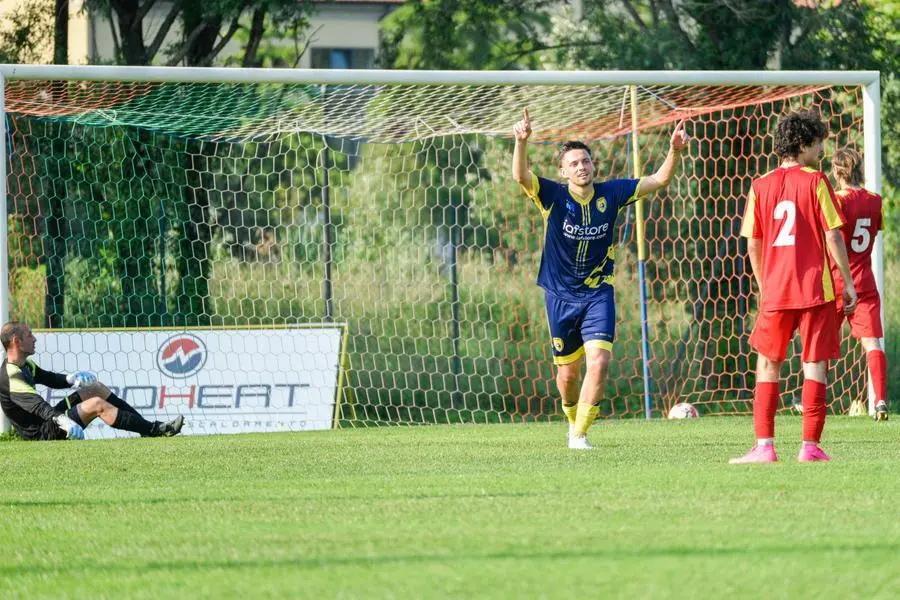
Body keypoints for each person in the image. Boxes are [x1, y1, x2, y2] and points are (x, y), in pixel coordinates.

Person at [511, 108, 689, 449]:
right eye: (574, 163)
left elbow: (659, 180)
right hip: (560, 296)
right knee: (567, 376)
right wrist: (521, 142)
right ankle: (571, 419)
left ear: (594, 166)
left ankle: (579, 434)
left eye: (586, 161)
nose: (582, 167)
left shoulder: (613, 194)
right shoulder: (552, 196)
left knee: (601, 361)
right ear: (562, 172)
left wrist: (674, 151)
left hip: (597, 295)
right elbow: (521, 176)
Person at [731, 110, 857, 464]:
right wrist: (847, 282)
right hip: (815, 290)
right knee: (814, 365)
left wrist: (763, 283)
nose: (821, 151)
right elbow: (833, 234)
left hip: (776, 291)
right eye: (818, 144)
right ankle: (810, 447)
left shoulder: (760, 185)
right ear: (803, 145)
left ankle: (765, 447)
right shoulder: (817, 181)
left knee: (768, 364)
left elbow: (752, 242)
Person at [0, 322, 184, 440]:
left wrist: (71, 379)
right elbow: (39, 407)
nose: (35, 338)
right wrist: (63, 421)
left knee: (94, 388)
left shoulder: (26, 364)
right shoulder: (11, 376)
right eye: (30, 335)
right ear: (16, 341)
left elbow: (49, 379)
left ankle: (146, 429)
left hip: (50, 420)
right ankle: (156, 430)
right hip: (41, 433)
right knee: (97, 404)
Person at [829, 148, 888, 421]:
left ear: (837, 172)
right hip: (865, 281)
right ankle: (880, 401)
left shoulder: (835, 201)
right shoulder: (876, 201)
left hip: (837, 281)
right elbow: (873, 230)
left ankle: (813, 403)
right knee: (872, 343)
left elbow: (832, 239)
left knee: (818, 346)